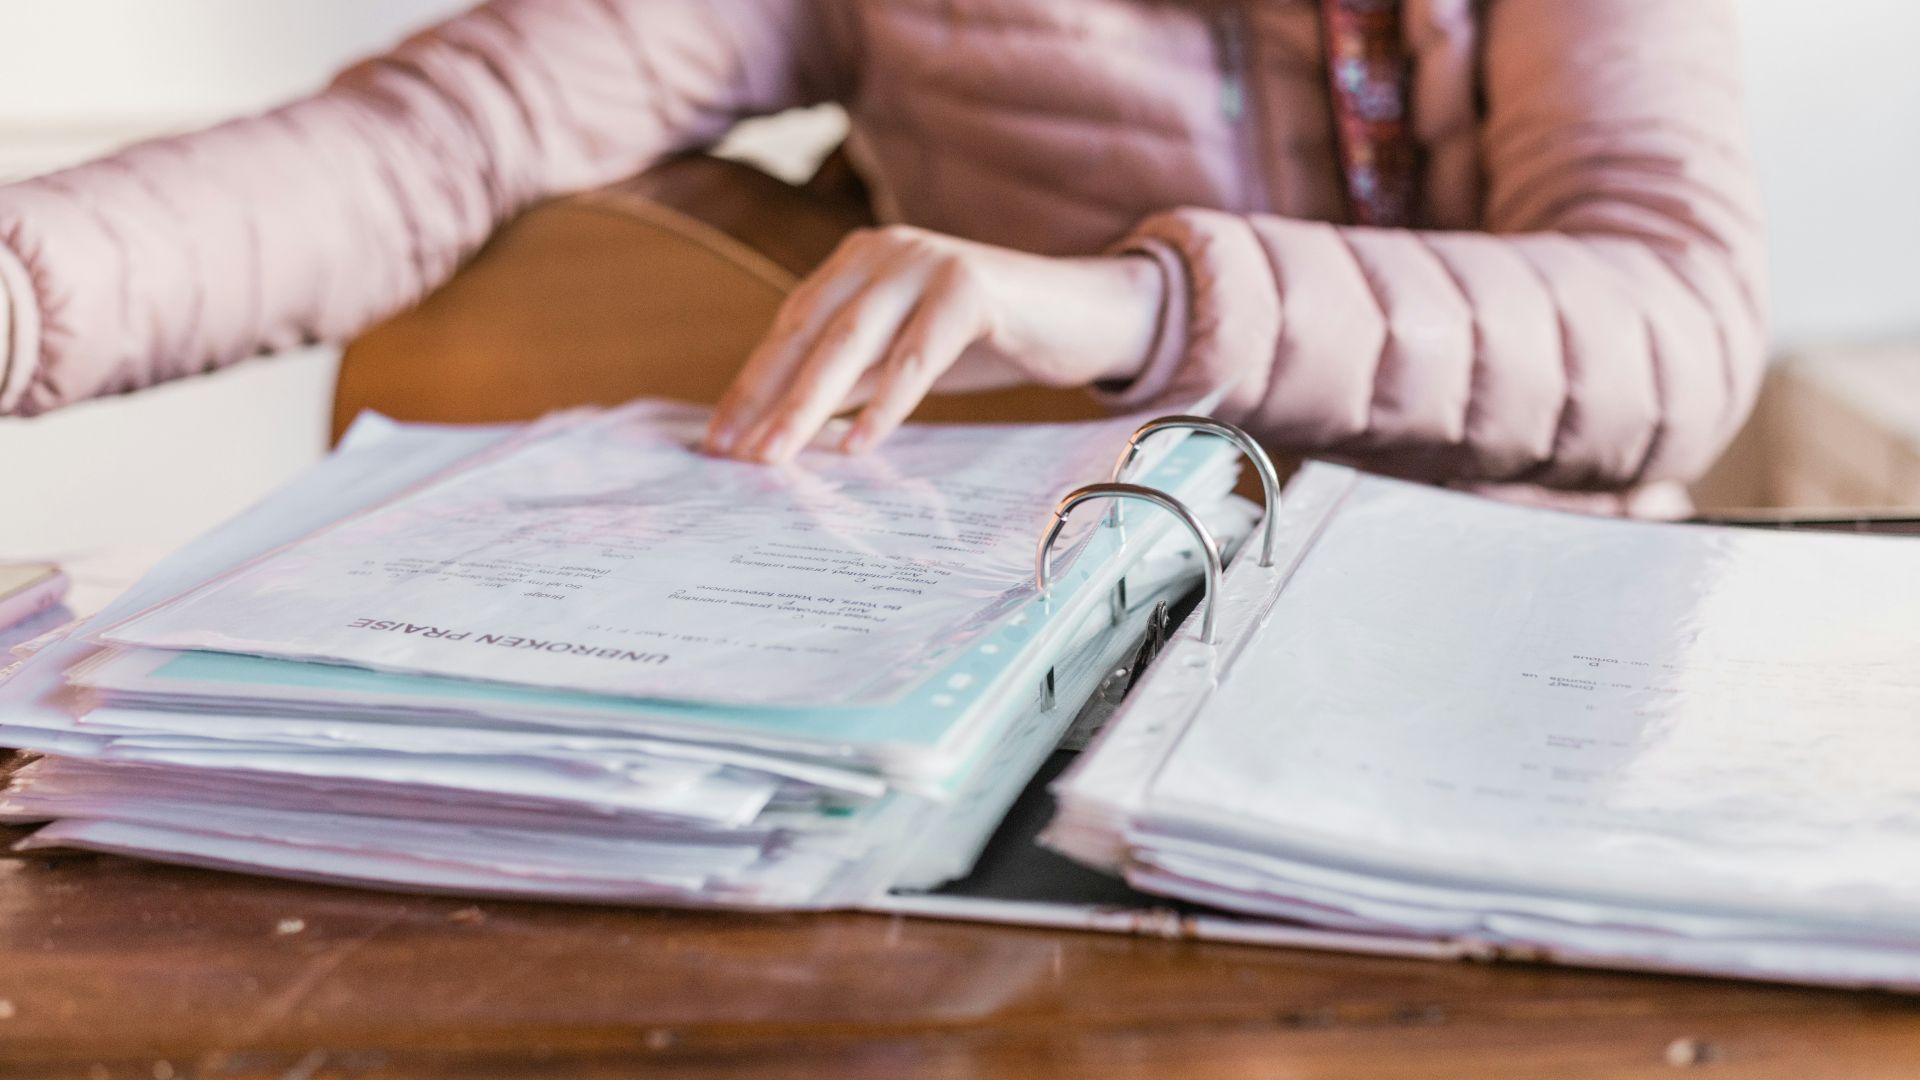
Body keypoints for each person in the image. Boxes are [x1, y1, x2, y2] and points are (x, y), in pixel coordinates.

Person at [0, 0, 1764, 513]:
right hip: (1036, 654)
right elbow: (429, 142)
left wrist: (1141, 304)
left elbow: (1671, 331)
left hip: (1500, 639)